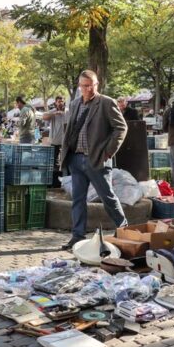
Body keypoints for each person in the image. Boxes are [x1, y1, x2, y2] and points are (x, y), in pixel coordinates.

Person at [60, 70, 128, 251]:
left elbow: (121, 128)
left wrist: (108, 153)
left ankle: (124, 229)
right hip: (76, 158)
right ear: (79, 86)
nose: (88, 89)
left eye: (92, 85)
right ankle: (77, 236)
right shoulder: (74, 104)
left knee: (108, 197)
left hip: (97, 159)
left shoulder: (106, 102)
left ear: (97, 84)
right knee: (78, 200)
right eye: (85, 85)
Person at [43, 96, 69, 186]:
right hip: (54, 142)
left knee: (66, 162)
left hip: (66, 142)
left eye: (62, 101)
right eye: (59, 101)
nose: (60, 103)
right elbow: (44, 117)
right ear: (56, 103)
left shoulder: (68, 111)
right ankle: (56, 183)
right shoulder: (53, 111)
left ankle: (66, 181)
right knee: (55, 162)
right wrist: (54, 113)